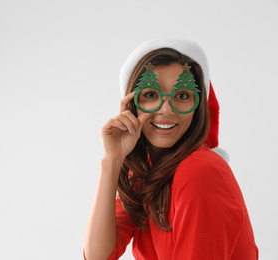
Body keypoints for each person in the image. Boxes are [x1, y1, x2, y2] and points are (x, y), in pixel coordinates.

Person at [84, 39, 258, 260]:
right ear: (132, 104)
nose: (166, 110)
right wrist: (112, 159)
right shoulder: (144, 171)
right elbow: (98, 256)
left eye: (182, 96)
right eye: (150, 95)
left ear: (198, 107)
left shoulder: (200, 171)